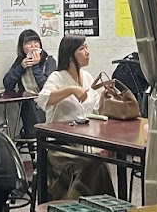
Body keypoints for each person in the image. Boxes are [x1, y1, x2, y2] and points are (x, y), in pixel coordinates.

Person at [37, 35, 114, 199]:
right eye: (82, 48)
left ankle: (102, 205)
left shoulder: (87, 77)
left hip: (83, 142)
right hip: (60, 146)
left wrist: (105, 97)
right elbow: (43, 99)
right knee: (90, 163)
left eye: (87, 47)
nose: (87, 52)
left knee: (98, 163)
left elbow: (95, 110)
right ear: (70, 55)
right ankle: (74, 205)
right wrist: (71, 90)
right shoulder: (57, 77)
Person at [1, 29, 54, 139]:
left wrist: (35, 66)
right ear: (22, 47)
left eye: (36, 42)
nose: (33, 46)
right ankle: (34, 140)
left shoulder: (49, 61)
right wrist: (21, 68)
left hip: (47, 104)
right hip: (28, 105)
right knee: (28, 104)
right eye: (29, 43)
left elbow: (46, 87)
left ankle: (36, 139)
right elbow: (8, 84)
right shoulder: (20, 61)